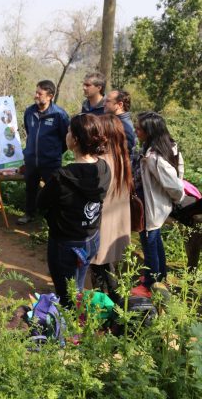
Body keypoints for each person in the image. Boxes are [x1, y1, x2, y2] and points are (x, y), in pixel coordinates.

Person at [37, 114, 111, 306]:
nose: (67, 134)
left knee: (65, 292)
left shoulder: (62, 177)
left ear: (76, 139)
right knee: (77, 283)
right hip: (91, 237)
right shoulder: (103, 168)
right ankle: (76, 313)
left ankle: (69, 329)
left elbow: (41, 203)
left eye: (69, 131)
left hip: (65, 242)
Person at [131, 112, 185, 296]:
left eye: (139, 128)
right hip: (153, 204)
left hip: (151, 206)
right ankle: (159, 274)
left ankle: (150, 284)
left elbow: (174, 184)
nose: (136, 131)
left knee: (149, 243)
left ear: (150, 131)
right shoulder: (162, 147)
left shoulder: (155, 158)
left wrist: (176, 198)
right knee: (154, 240)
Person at [90, 114, 133, 302]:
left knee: (99, 264)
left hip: (102, 220)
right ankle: (115, 303)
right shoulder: (122, 157)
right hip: (117, 221)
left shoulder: (101, 161)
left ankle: (103, 307)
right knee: (108, 264)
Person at [18, 80, 70, 225]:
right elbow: (29, 132)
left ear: (50, 96)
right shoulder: (29, 112)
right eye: (36, 92)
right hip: (31, 161)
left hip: (51, 162)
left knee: (54, 191)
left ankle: (54, 219)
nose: (36, 95)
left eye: (39, 93)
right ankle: (29, 214)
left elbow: (66, 139)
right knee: (30, 189)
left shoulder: (59, 115)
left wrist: (54, 153)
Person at [104, 90, 137, 156]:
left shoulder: (125, 126)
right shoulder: (114, 122)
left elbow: (125, 154)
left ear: (120, 105)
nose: (104, 104)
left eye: (107, 101)